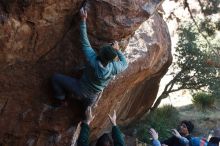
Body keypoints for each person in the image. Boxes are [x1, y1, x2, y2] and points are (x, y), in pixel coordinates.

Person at [51, 7, 128, 108]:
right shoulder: (114, 68)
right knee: (87, 109)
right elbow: (125, 63)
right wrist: (117, 50)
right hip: (93, 95)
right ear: (112, 60)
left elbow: (84, 41)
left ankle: (61, 100)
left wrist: (83, 20)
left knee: (55, 78)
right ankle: (84, 114)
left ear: (99, 54)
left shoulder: (92, 59)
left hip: (80, 89)